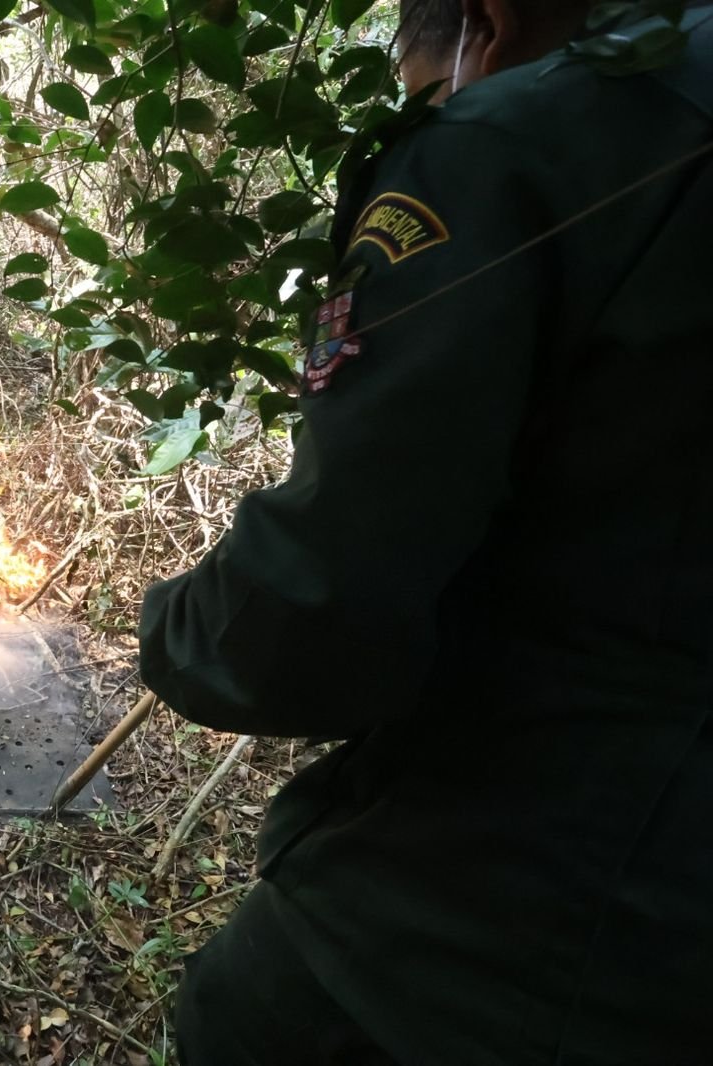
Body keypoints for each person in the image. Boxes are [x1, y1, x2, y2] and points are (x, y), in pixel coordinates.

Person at [139, 0, 713, 1061]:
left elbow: (312, 615)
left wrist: (174, 627)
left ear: (483, 26)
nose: (441, 109)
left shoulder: (520, 140)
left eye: (427, 89)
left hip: (485, 929)